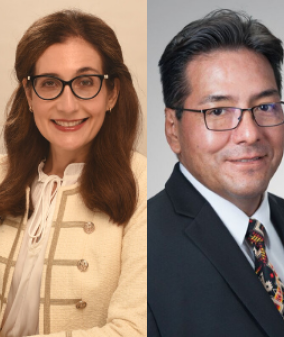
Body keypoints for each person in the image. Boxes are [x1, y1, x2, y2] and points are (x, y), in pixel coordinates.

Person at [0, 10, 147, 337]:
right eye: (50, 84)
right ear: (29, 96)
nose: (67, 105)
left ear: (112, 93)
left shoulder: (143, 181)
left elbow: (133, 329)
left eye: (85, 82)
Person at [148, 9, 284, 336]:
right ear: (173, 129)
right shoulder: (144, 248)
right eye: (218, 111)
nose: (249, 134)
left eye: (265, 106)